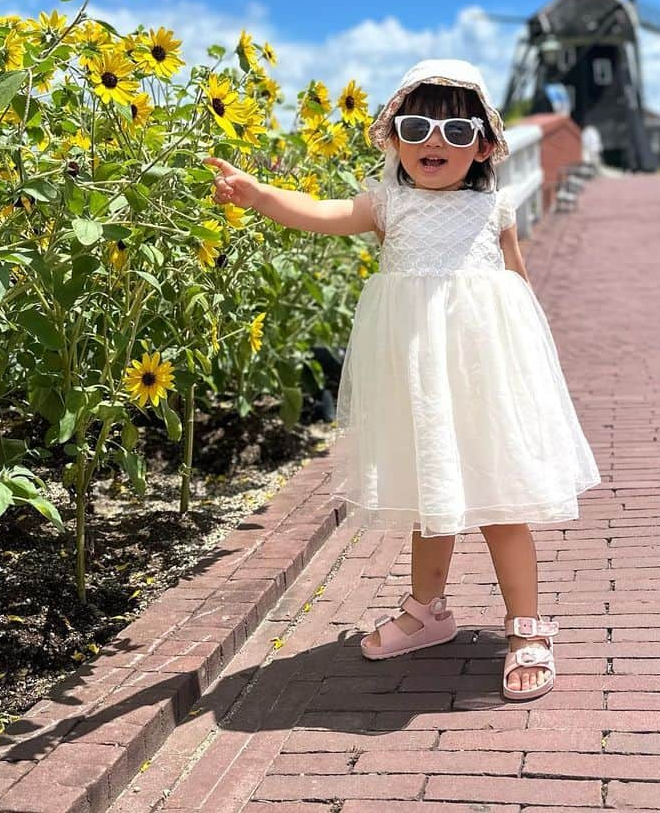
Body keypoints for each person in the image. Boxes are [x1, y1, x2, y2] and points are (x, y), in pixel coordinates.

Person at [205, 58, 601, 704]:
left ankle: (526, 629)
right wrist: (260, 196)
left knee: (502, 500)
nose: (433, 143)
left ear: (484, 145)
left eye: (453, 131)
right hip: (421, 374)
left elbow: (519, 288)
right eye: (415, 128)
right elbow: (322, 212)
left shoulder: (493, 208)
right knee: (431, 493)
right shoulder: (388, 203)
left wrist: (533, 368)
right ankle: (429, 611)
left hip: (485, 375)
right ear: (393, 139)